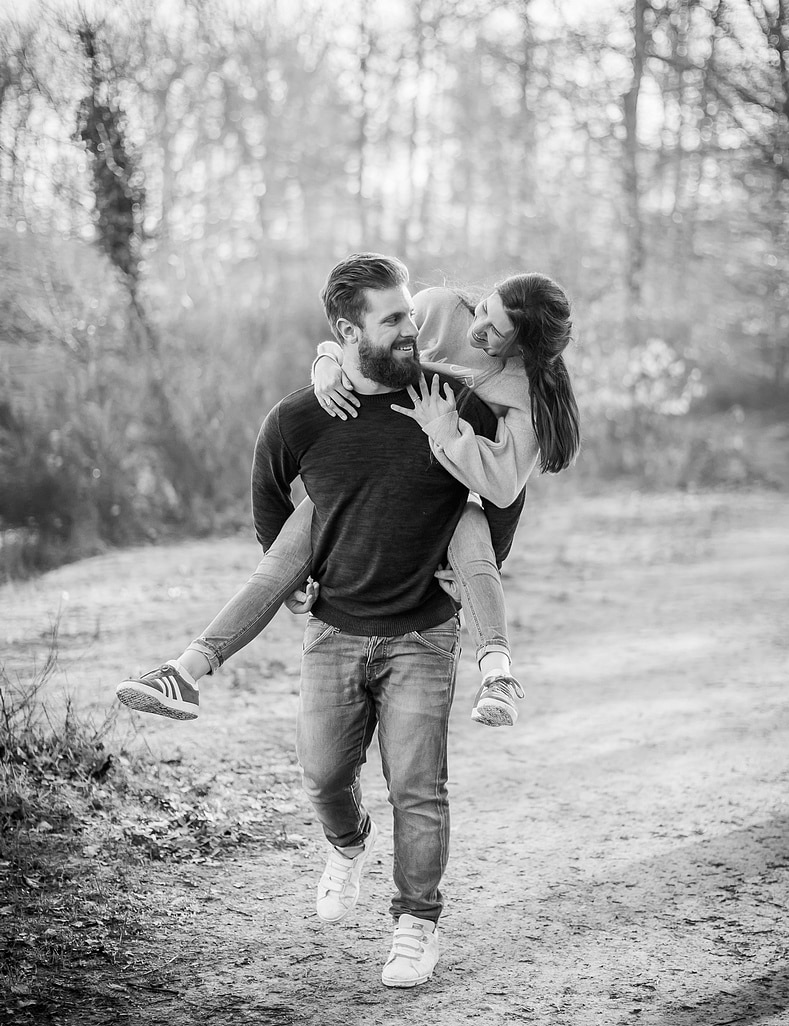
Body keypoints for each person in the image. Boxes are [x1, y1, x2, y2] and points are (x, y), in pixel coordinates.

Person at [152, 253, 524, 987]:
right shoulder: (300, 417)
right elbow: (267, 496)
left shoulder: (447, 399)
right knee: (324, 776)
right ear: (346, 330)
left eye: (411, 316)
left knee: (418, 787)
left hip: (423, 629)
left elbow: (503, 488)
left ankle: (417, 923)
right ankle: (346, 843)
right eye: (393, 322)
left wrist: (479, 570)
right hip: (334, 630)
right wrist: (292, 579)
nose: (411, 332)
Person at [116, 267, 579, 729]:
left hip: (442, 491)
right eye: (482, 309)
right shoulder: (439, 308)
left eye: (494, 331)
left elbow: (503, 489)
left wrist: (443, 428)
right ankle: (184, 672)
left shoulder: (523, 389)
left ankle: (498, 674)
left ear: (523, 348)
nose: (476, 327)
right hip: (362, 469)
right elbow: (371, 341)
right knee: (281, 557)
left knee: (470, 524)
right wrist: (326, 362)